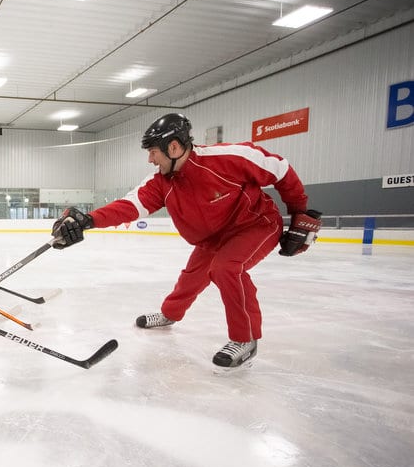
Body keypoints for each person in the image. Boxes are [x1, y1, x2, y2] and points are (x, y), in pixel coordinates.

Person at [51, 113, 321, 371]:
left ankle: (245, 338)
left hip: (256, 225)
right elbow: (130, 206)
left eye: (153, 151)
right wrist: (88, 220)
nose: (150, 159)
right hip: (213, 237)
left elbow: (280, 169)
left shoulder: (227, 158)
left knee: (226, 268)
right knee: (192, 277)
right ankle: (170, 314)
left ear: (175, 147)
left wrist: (298, 212)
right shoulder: (160, 182)